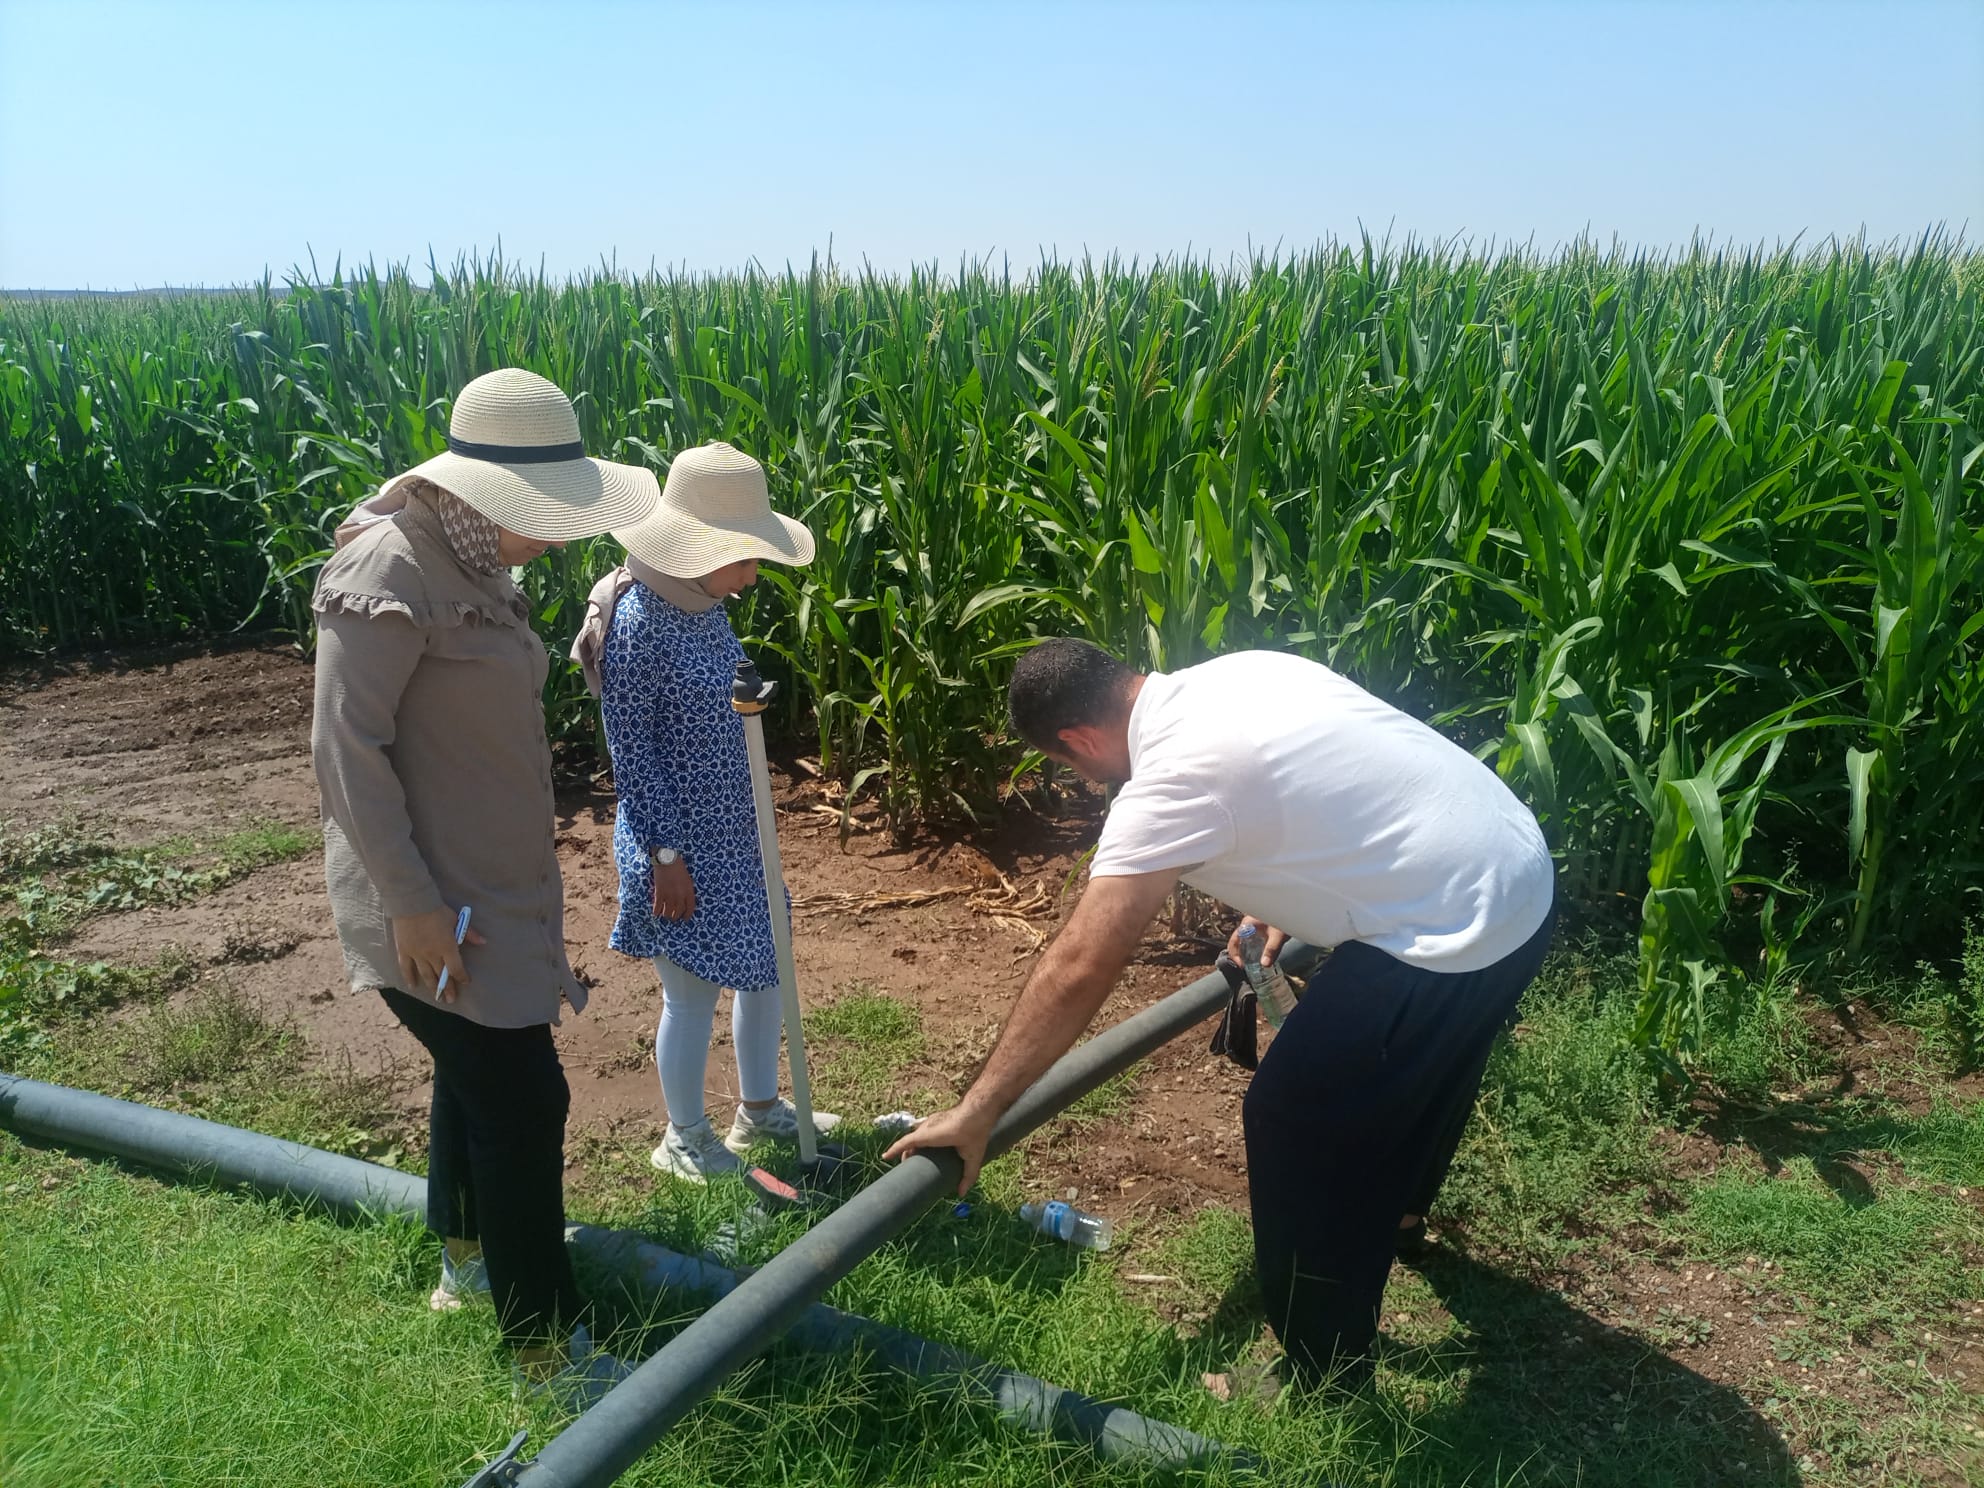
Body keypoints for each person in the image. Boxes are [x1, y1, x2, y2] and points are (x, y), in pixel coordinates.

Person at [886, 638, 1556, 1392]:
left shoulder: (1171, 781)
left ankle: (1324, 1371)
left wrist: (978, 1110)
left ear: (1078, 739)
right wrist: (1276, 903)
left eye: (1073, 765)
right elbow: (1323, 791)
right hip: (1518, 875)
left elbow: (1080, 963)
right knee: (1434, 1062)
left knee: (1293, 1118)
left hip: (1447, 928)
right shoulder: (1241, 672)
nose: (1083, 778)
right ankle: (1400, 1215)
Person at [311, 367, 657, 1396]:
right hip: (425, 897)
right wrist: (412, 905)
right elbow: (346, 753)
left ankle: (464, 1262)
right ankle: (545, 1349)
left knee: (476, 1079)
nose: (558, 533)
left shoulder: (470, 557)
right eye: (545, 510)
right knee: (521, 1100)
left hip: (487, 890)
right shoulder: (390, 563)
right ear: (481, 489)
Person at [570, 441, 839, 1184]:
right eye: (746, 557)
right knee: (689, 994)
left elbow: (710, 700)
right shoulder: (637, 622)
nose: (755, 575)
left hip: (738, 830)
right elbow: (632, 750)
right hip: (679, 842)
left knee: (765, 970)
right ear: (697, 547)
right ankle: (682, 1135)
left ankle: (758, 1109)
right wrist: (665, 855)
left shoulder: (703, 604)